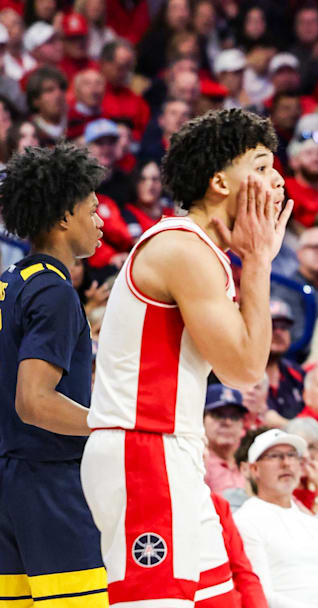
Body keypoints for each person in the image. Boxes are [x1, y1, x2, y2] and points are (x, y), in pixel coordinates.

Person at [81, 108, 293, 606]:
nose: (276, 180)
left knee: (220, 598)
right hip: (142, 451)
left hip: (171, 449)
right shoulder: (182, 248)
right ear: (220, 182)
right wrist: (259, 263)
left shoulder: (202, 250)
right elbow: (243, 370)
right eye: (261, 167)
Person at [0, 144, 107, 606]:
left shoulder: (10, 284)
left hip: (9, 481)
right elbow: (35, 401)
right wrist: (112, 425)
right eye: (94, 209)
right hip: (48, 481)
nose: (101, 221)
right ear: (65, 217)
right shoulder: (55, 291)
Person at [233, 429, 318, 608]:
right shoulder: (245, 520)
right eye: (275, 456)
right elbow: (259, 594)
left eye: (292, 455)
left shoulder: (314, 525)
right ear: (254, 469)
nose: (286, 463)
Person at [203, 384, 249, 495]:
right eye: (218, 415)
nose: (227, 422)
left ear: (242, 423)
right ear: (203, 419)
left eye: (234, 417)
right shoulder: (197, 462)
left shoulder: (253, 459)